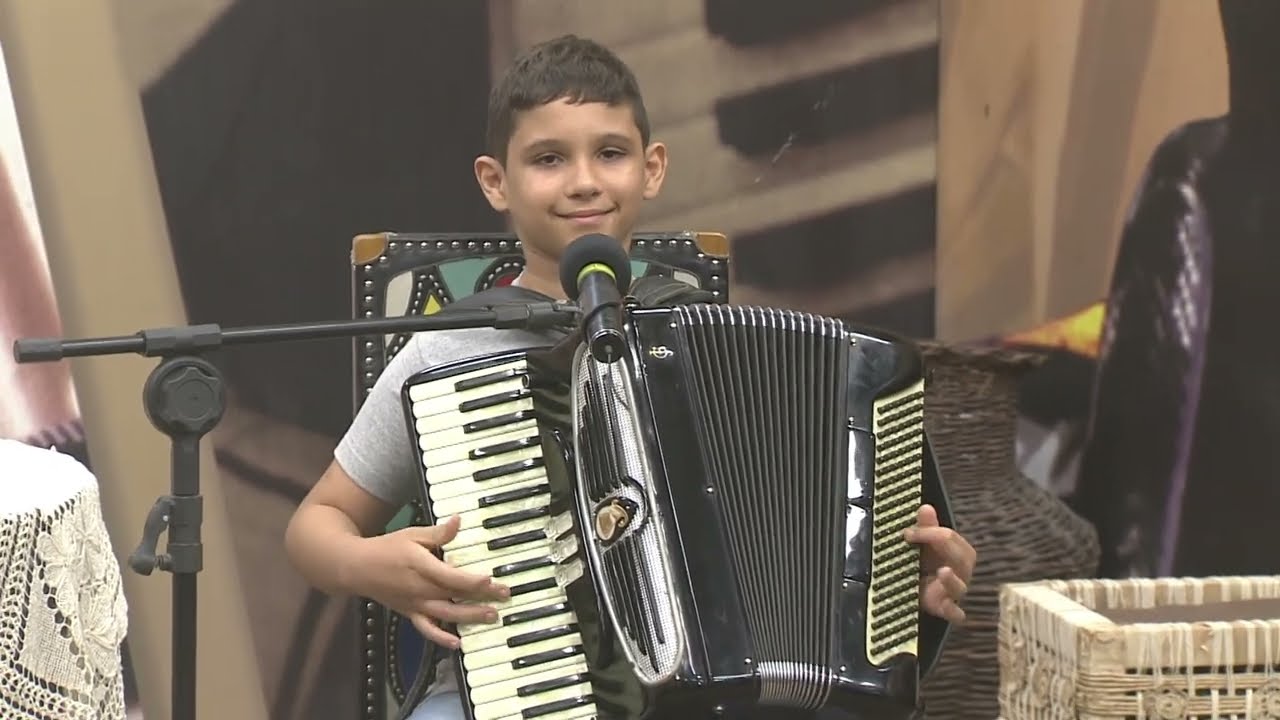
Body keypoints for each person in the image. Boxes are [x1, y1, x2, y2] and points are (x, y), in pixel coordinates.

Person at [284, 34, 976, 720]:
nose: (584, 180)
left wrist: (889, 589)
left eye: (609, 153)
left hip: (709, 699)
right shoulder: (448, 353)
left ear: (652, 168)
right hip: (499, 694)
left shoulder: (714, 351)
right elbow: (317, 524)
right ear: (496, 181)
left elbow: (804, 562)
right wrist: (365, 565)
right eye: (549, 159)